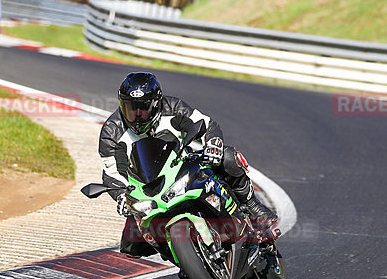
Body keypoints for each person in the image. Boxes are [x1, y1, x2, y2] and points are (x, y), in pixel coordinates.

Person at [99, 72, 281, 257]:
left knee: (227, 157)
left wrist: (213, 144)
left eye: (143, 108)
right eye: (130, 108)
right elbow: (112, 172)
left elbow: (205, 123)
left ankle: (251, 205)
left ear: (155, 104)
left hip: (181, 167)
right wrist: (122, 196)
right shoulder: (111, 131)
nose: (137, 115)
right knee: (131, 244)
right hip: (146, 188)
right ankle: (179, 253)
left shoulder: (172, 107)